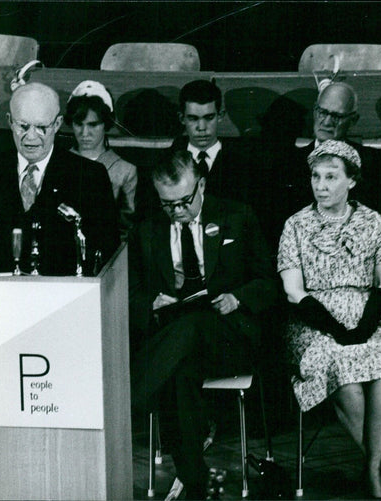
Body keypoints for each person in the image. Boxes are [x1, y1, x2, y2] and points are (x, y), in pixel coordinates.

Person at [129, 150, 276, 499]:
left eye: (184, 201)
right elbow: (131, 292)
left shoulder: (237, 216)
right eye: (168, 205)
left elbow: (269, 281)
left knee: (194, 324)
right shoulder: (148, 229)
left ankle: (131, 394)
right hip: (178, 343)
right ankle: (194, 482)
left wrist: (237, 298)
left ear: (202, 185)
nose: (177, 212)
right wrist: (151, 301)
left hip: (230, 334)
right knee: (178, 375)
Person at [277, 140, 381, 499]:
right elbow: (293, 291)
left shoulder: (373, 221)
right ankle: (377, 471)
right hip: (313, 325)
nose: (321, 185)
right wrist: (336, 330)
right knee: (345, 376)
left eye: (331, 177)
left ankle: (372, 468)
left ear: (352, 181)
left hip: (367, 318)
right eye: (316, 176)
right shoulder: (296, 225)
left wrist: (364, 329)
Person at [0, 82, 119, 276]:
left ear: (58, 124)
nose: (31, 137)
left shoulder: (89, 175)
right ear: (10, 121)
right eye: (23, 126)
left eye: (42, 127)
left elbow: (107, 252)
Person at [277, 82, 381, 227]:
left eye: (336, 116)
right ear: (314, 111)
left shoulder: (372, 162)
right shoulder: (288, 161)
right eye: (322, 113)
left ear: (353, 120)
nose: (327, 122)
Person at [65, 80, 137, 240]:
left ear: (106, 124)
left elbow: (127, 229)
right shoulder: (59, 163)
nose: (85, 133)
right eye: (78, 124)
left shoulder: (125, 170)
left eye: (93, 125)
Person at [166, 79, 250, 203]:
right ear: (182, 118)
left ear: (220, 116)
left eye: (209, 117)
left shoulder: (244, 164)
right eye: (193, 118)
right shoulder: (165, 162)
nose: (202, 127)